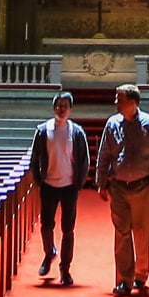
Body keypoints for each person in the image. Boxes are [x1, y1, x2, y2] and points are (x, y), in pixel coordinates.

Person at [93, 82, 149, 297]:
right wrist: (102, 182)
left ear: (132, 103)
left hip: (143, 186)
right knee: (122, 233)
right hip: (119, 187)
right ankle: (123, 280)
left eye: (120, 99)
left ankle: (140, 274)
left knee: (141, 233)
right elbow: (104, 154)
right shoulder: (112, 124)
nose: (116, 102)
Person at [29, 91, 88, 286]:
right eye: (59, 105)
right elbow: (35, 157)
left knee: (68, 229)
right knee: (46, 225)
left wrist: (79, 182)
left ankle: (65, 269)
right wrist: (38, 180)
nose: (61, 109)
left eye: (65, 106)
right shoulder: (43, 130)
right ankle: (49, 253)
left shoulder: (77, 132)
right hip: (49, 185)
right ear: (54, 107)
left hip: (69, 186)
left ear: (70, 109)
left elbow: (83, 159)